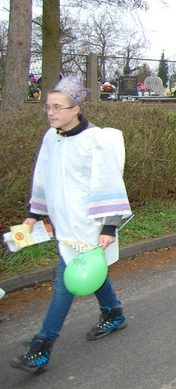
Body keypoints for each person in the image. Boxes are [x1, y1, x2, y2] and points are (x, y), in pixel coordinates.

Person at [11, 76, 133, 373]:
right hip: (63, 224)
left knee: (66, 282)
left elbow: (109, 182)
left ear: (75, 108)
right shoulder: (51, 137)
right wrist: (34, 214)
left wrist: (108, 227)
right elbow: (43, 176)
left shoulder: (96, 140)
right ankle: (113, 311)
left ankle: (43, 345)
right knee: (89, 272)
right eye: (48, 107)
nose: (51, 112)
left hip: (88, 225)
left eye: (57, 107)